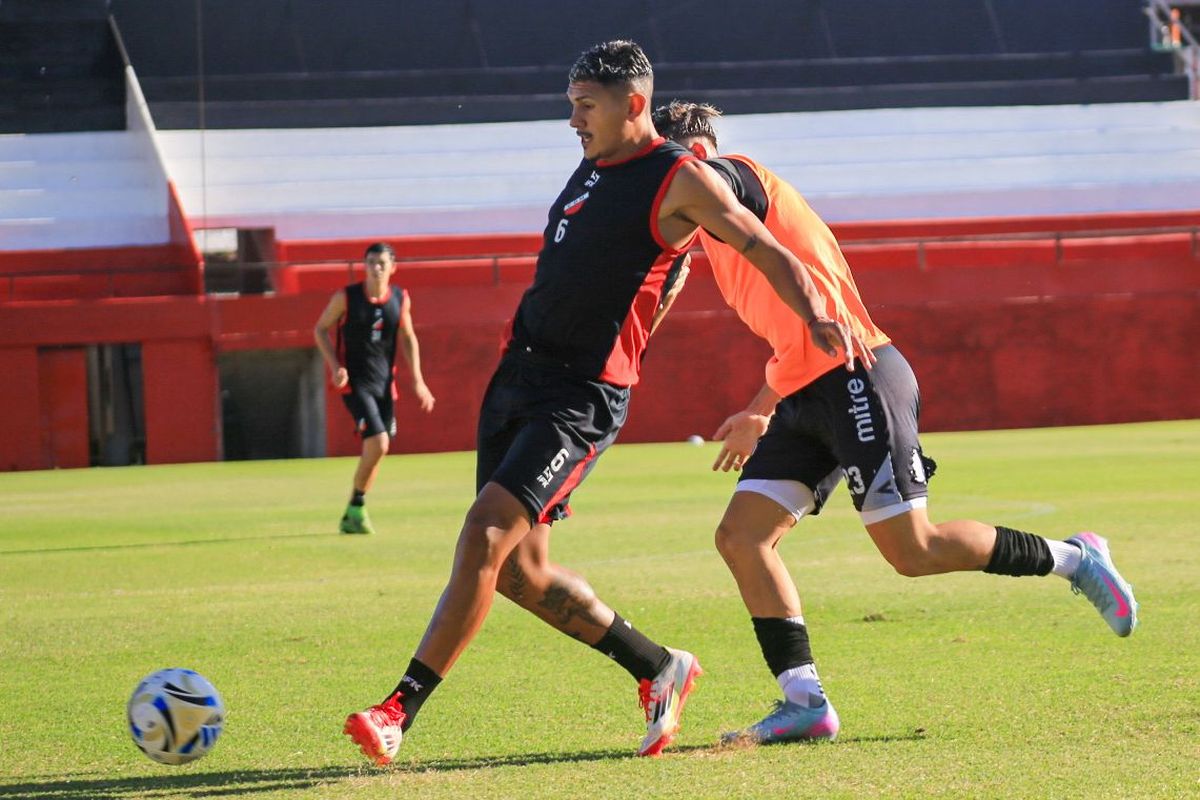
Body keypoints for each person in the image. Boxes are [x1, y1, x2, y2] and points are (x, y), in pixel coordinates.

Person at [342, 40, 873, 766]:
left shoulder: (680, 178)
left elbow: (762, 246)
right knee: (522, 576)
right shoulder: (593, 167)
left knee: (483, 534)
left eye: (584, 107)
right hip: (517, 382)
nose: (572, 121)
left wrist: (815, 310)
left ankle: (398, 708)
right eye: (570, 106)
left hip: (581, 396)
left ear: (632, 106)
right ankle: (659, 668)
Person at [650, 100, 1139, 746]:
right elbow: (792, 333)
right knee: (742, 537)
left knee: (915, 551)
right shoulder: (720, 240)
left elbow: (711, 183)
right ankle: (806, 702)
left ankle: (1074, 559)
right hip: (803, 395)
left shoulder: (737, 176)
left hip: (859, 374)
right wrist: (758, 410)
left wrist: (672, 179)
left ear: (698, 156)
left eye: (677, 168)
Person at [314, 242, 436, 534]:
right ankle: (356, 504)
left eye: (382, 263)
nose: (376, 268)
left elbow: (408, 337)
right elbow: (320, 329)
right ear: (364, 266)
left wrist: (418, 380)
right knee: (379, 442)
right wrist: (335, 366)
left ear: (393, 267)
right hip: (355, 384)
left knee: (380, 448)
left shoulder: (400, 298)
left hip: (384, 385)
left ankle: (354, 511)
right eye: (371, 262)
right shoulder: (347, 297)